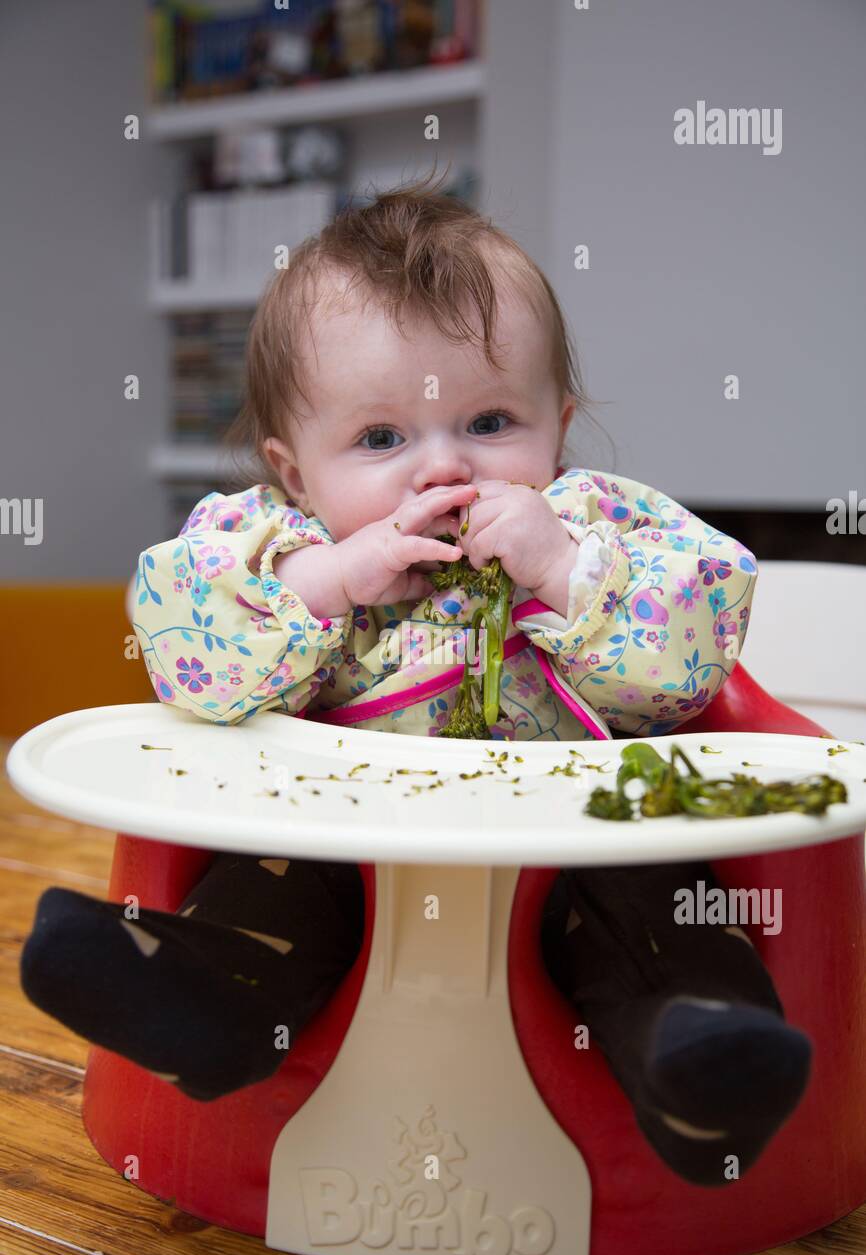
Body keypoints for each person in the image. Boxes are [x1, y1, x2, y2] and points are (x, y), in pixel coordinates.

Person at [20, 174, 810, 1188]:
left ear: (556, 428)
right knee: (267, 898)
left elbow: (700, 647)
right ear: (294, 470)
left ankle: (700, 1067)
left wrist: (563, 570)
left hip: (576, 851)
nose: (442, 468)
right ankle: (192, 1002)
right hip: (334, 849)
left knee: (659, 908)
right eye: (381, 439)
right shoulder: (275, 543)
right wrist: (328, 580)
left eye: (488, 423)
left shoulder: (600, 525)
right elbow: (183, 645)